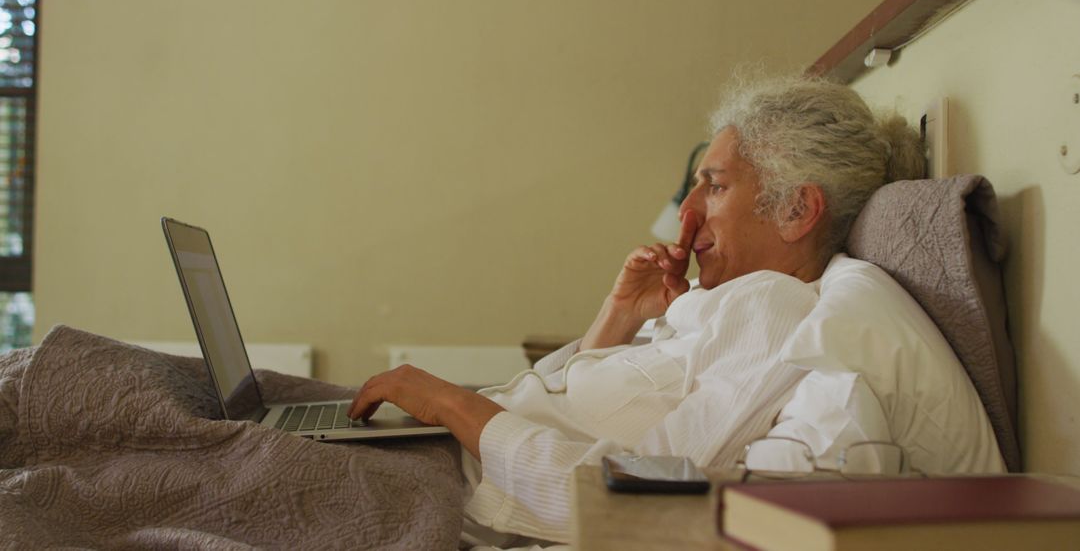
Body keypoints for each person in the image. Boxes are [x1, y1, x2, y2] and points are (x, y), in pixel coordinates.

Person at [348, 75, 1005, 547]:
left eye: (714, 186)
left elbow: (641, 492)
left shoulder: (776, 312)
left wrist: (454, 405)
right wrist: (617, 320)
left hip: (444, 493)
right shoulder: (727, 301)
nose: (687, 214)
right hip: (436, 466)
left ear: (797, 211)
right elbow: (583, 408)